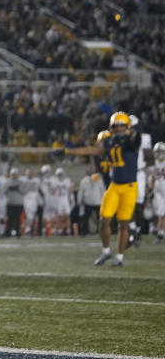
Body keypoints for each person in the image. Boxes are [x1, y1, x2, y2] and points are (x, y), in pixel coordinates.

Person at [58, 112, 142, 266]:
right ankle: (106, 251)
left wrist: (127, 133)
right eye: (115, 126)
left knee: (123, 224)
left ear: (127, 126)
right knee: (104, 219)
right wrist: (68, 151)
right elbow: (89, 150)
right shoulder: (109, 142)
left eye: (121, 125)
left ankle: (120, 257)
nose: (118, 128)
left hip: (130, 186)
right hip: (114, 185)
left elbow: (136, 139)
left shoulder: (132, 139)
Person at [77, 164, 105, 237]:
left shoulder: (99, 179)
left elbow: (102, 190)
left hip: (98, 202)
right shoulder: (83, 181)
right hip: (88, 202)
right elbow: (81, 191)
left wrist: (104, 200)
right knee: (85, 218)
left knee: (100, 219)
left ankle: (100, 232)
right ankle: (84, 233)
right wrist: (79, 201)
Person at [150, 142, 165, 243]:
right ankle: (158, 231)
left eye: (162, 151)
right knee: (158, 213)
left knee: (162, 214)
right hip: (157, 191)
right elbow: (152, 178)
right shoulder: (152, 163)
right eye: (158, 151)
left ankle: (160, 234)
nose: (160, 153)